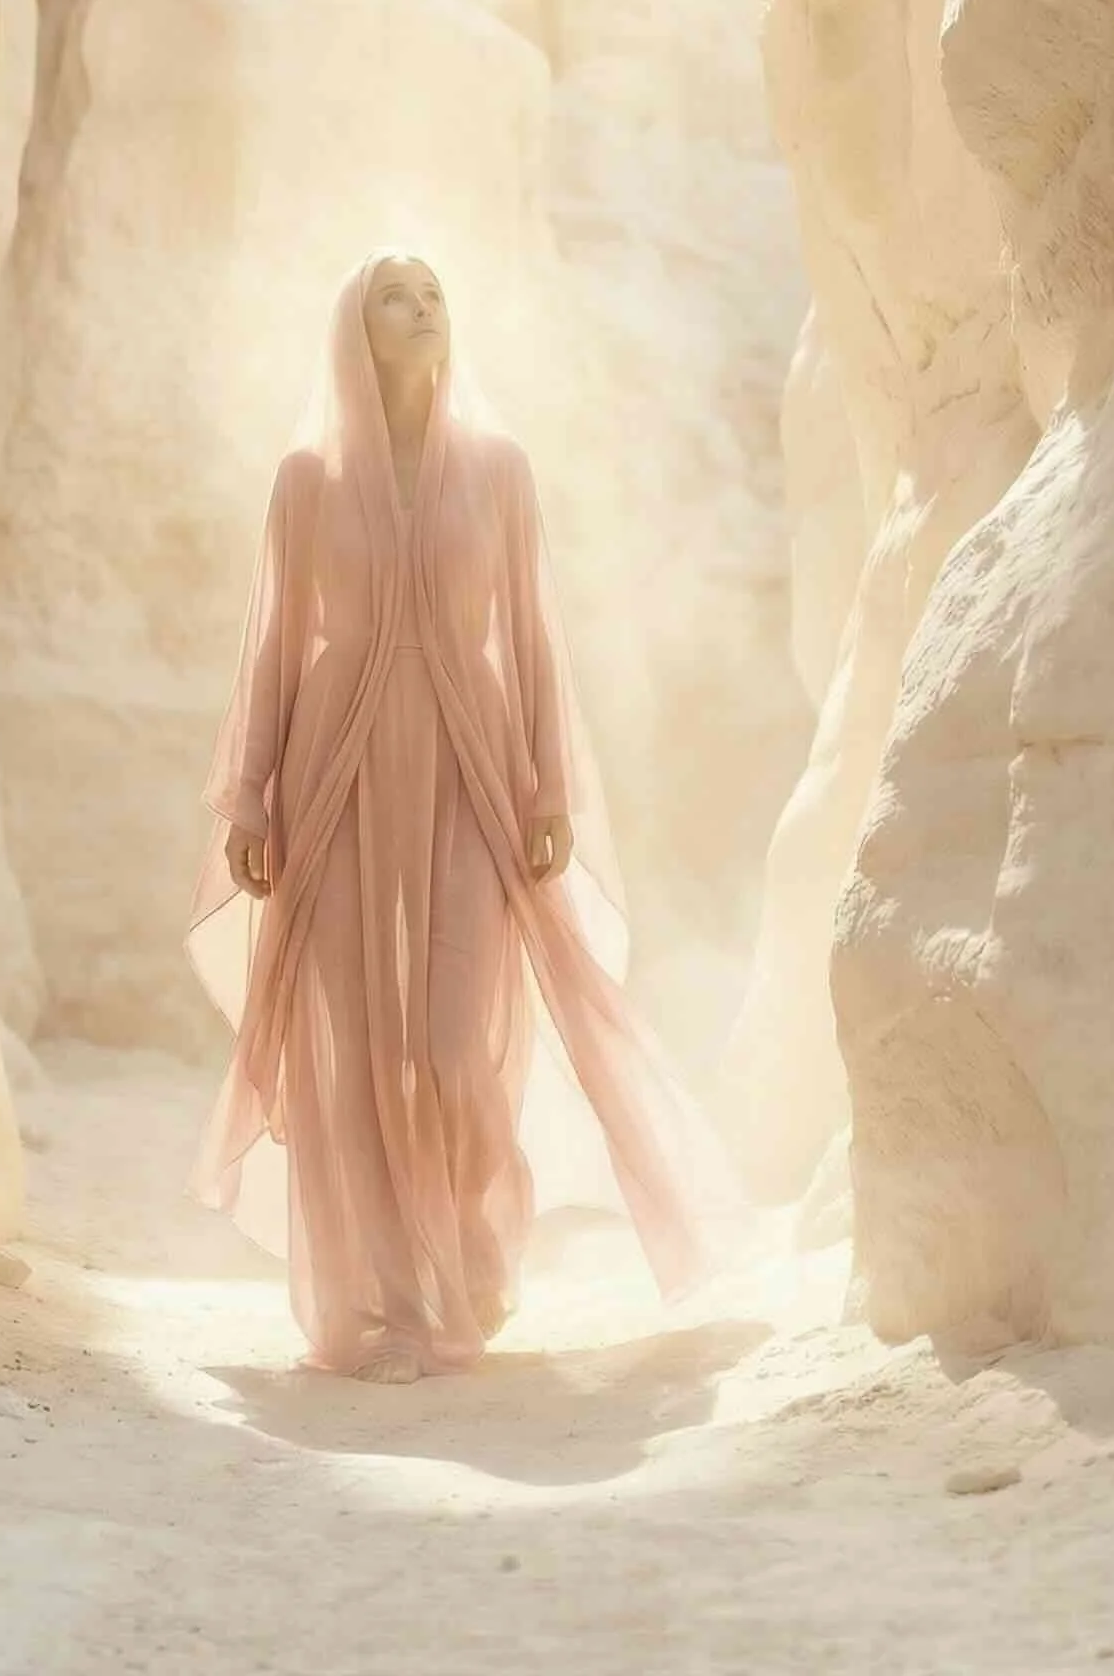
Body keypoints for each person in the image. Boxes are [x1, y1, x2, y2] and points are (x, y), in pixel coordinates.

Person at [186, 249, 734, 1382]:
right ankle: (383, 1303)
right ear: (357, 329)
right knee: (345, 1051)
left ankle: (467, 1259)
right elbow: (274, 645)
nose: (422, 307)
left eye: (433, 292)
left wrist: (548, 787)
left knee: (450, 1044)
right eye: (396, 294)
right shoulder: (303, 480)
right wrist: (250, 794)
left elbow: (530, 637)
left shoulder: (501, 472)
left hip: (471, 763)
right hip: (332, 766)